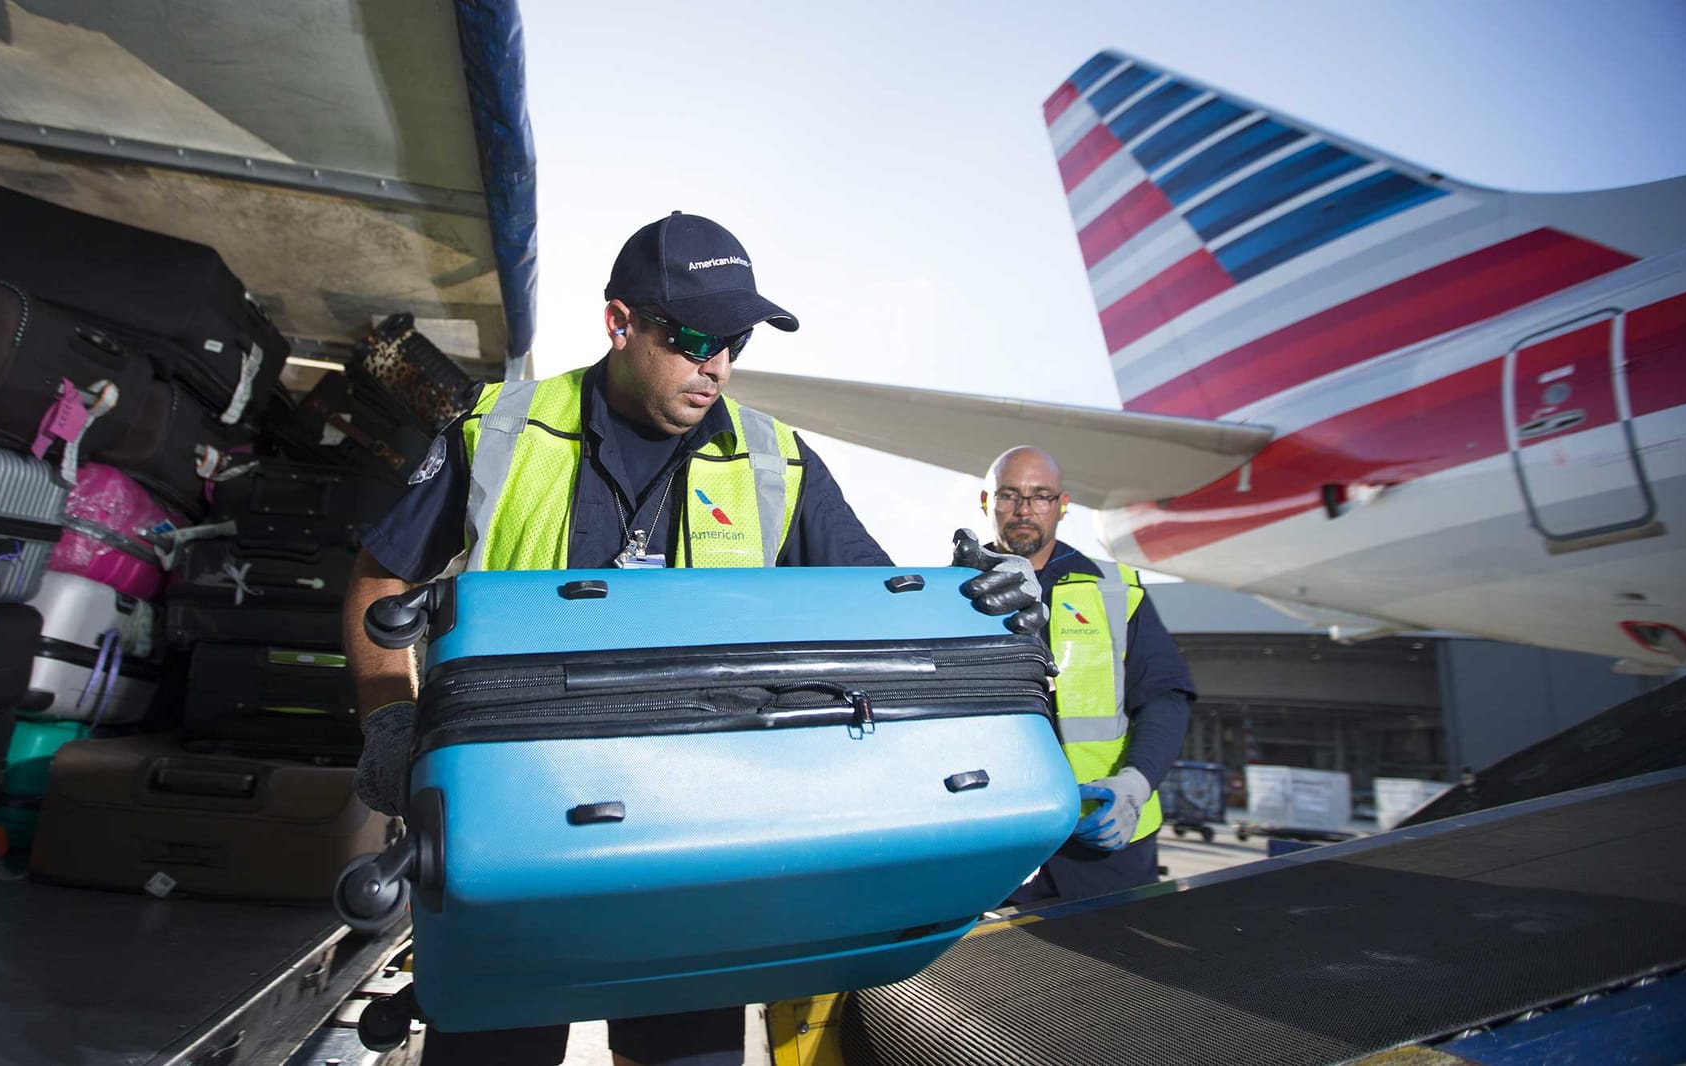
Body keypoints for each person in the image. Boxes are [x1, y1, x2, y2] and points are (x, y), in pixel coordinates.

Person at [342, 211, 922, 1066]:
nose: (717, 364)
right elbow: (379, 580)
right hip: (512, 841)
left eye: (736, 341)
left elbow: (880, 609)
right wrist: (391, 721)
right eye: (694, 338)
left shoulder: (777, 463)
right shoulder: (500, 431)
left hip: (692, 850)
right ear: (620, 323)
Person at [971, 445, 1196, 904]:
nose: (1024, 509)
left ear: (1063, 505)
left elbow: (1165, 697)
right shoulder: (944, 593)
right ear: (985, 502)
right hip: (992, 842)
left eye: (1040, 496)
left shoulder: (1116, 591)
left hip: (1103, 838)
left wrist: (1137, 784)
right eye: (1009, 495)